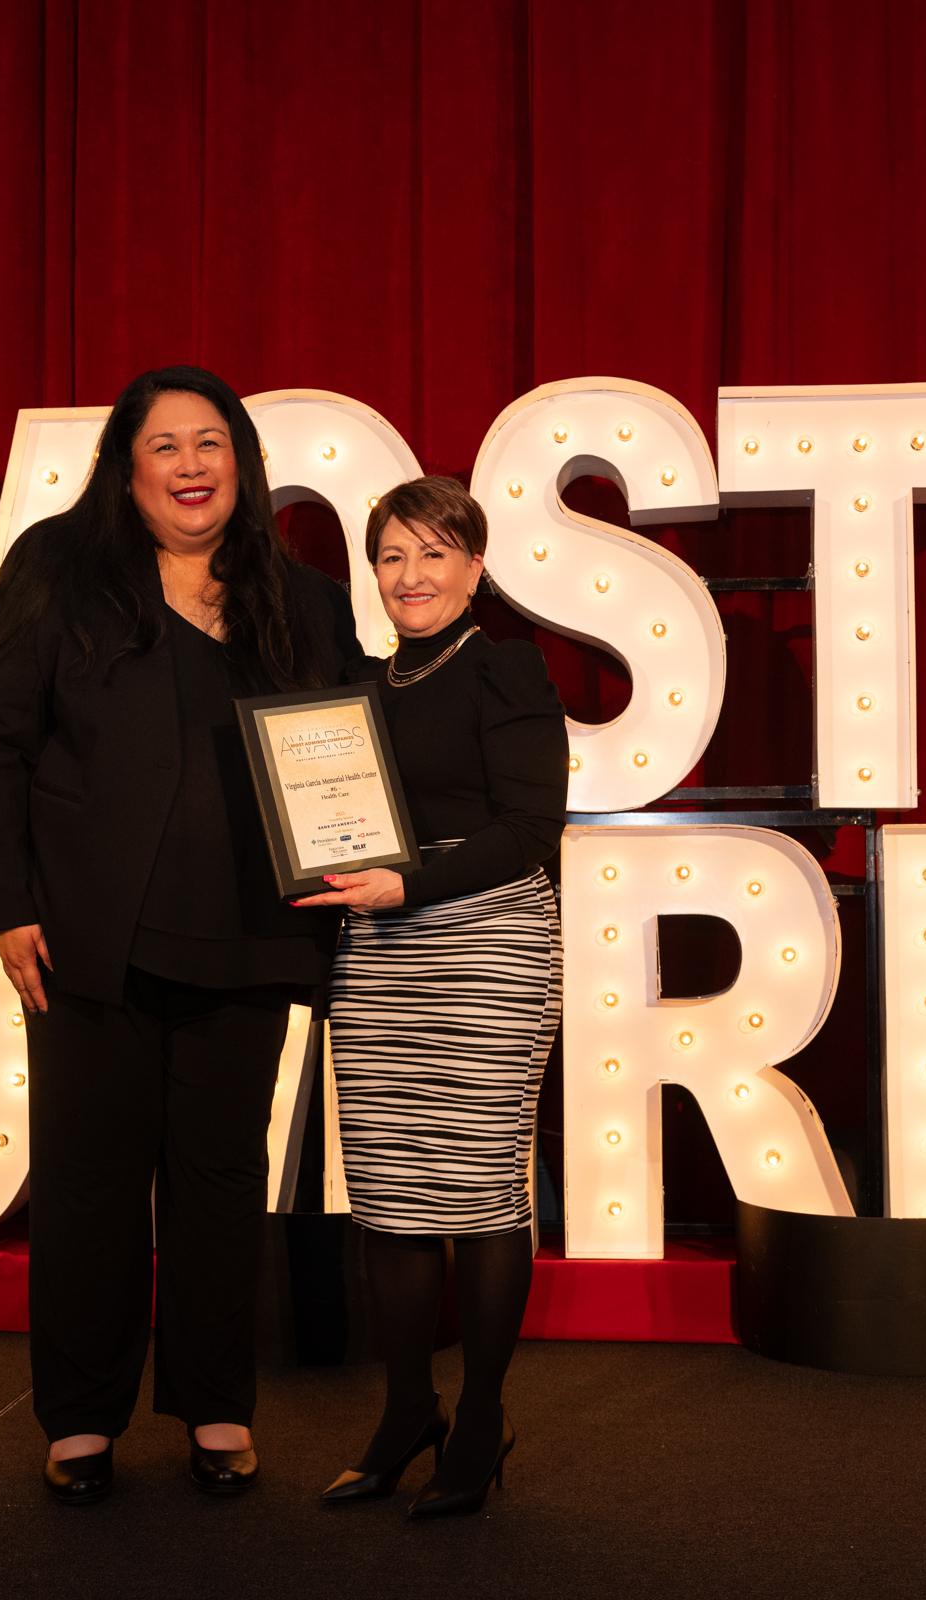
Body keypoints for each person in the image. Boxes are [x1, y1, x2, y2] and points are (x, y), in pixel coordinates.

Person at [0, 365, 362, 1506]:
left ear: (242, 461)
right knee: (88, 1180)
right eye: (166, 446)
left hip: (250, 932)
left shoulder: (308, 600)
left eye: (211, 443)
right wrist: (5, 903)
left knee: (220, 1181)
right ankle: (81, 1417)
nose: (192, 465)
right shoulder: (56, 568)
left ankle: (215, 1406)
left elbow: (346, 760)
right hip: (89, 934)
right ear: (126, 470)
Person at [292, 474, 568, 1518]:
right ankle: (408, 1410)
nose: (411, 575)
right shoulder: (357, 688)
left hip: (484, 937)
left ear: (474, 567)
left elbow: (529, 832)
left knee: (483, 1195)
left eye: (434, 554)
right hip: (378, 946)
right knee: (391, 1199)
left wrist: (414, 882)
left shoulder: (507, 669)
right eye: (392, 556)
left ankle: (483, 1416)